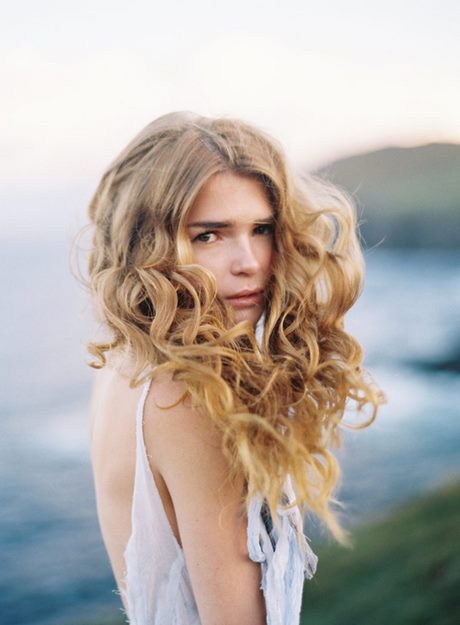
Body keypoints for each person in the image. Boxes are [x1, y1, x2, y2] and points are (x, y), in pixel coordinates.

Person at [86, 111, 381, 625]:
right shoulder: (190, 399)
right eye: (209, 235)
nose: (249, 261)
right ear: (147, 243)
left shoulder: (124, 365)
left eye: (261, 229)